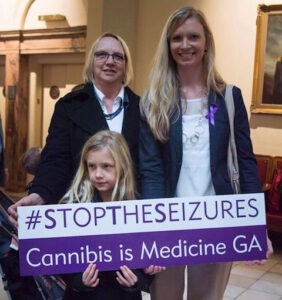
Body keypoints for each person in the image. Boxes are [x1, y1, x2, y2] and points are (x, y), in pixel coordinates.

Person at [139, 7, 273, 300]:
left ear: (206, 42)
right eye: (177, 38)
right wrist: (152, 229)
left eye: (193, 37)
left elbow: (246, 164)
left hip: (216, 221)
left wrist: (256, 225)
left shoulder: (228, 97)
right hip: (168, 222)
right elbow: (151, 170)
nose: (185, 45)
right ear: (168, 45)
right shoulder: (154, 101)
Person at [8, 32, 140, 227]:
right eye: (102, 54)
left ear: (126, 65)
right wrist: (40, 193)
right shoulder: (68, 107)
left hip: (131, 213)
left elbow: (151, 167)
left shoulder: (143, 108)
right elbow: (55, 159)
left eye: (117, 56)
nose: (110, 61)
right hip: (81, 214)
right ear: (91, 62)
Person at [60, 130, 164, 300]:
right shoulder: (73, 205)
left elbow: (145, 264)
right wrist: (79, 281)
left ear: (121, 166)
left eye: (106, 166)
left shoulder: (139, 208)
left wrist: (139, 278)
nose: (98, 174)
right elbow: (59, 258)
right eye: (91, 166)